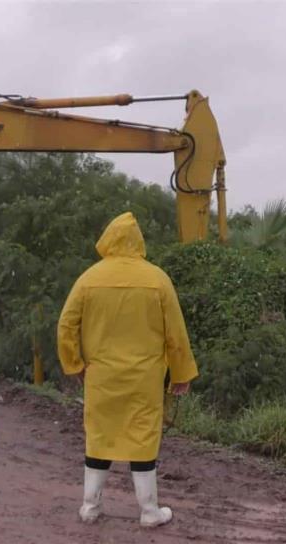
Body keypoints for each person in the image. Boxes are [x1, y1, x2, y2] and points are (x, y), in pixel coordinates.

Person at [57, 212, 198, 527]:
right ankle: (149, 512)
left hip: (101, 377)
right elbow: (176, 332)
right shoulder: (157, 279)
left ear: (108, 239)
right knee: (143, 437)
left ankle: (89, 507)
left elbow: (66, 325)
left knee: (99, 436)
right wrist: (181, 374)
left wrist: (74, 364)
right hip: (144, 378)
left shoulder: (89, 278)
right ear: (138, 242)